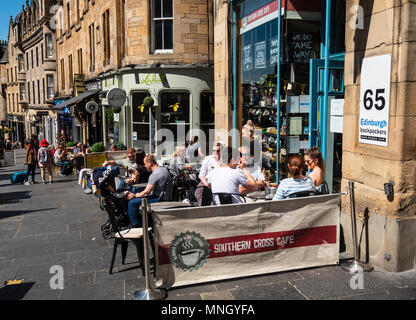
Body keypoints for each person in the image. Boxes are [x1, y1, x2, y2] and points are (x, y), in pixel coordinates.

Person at [125, 154, 172, 227]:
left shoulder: (155, 174)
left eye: (145, 164)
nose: (145, 166)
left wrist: (133, 195)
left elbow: (146, 193)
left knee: (132, 203)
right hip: (165, 197)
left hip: (159, 199)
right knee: (138, 195)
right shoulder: (163, 169)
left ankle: (136, 226)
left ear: (150, 163)